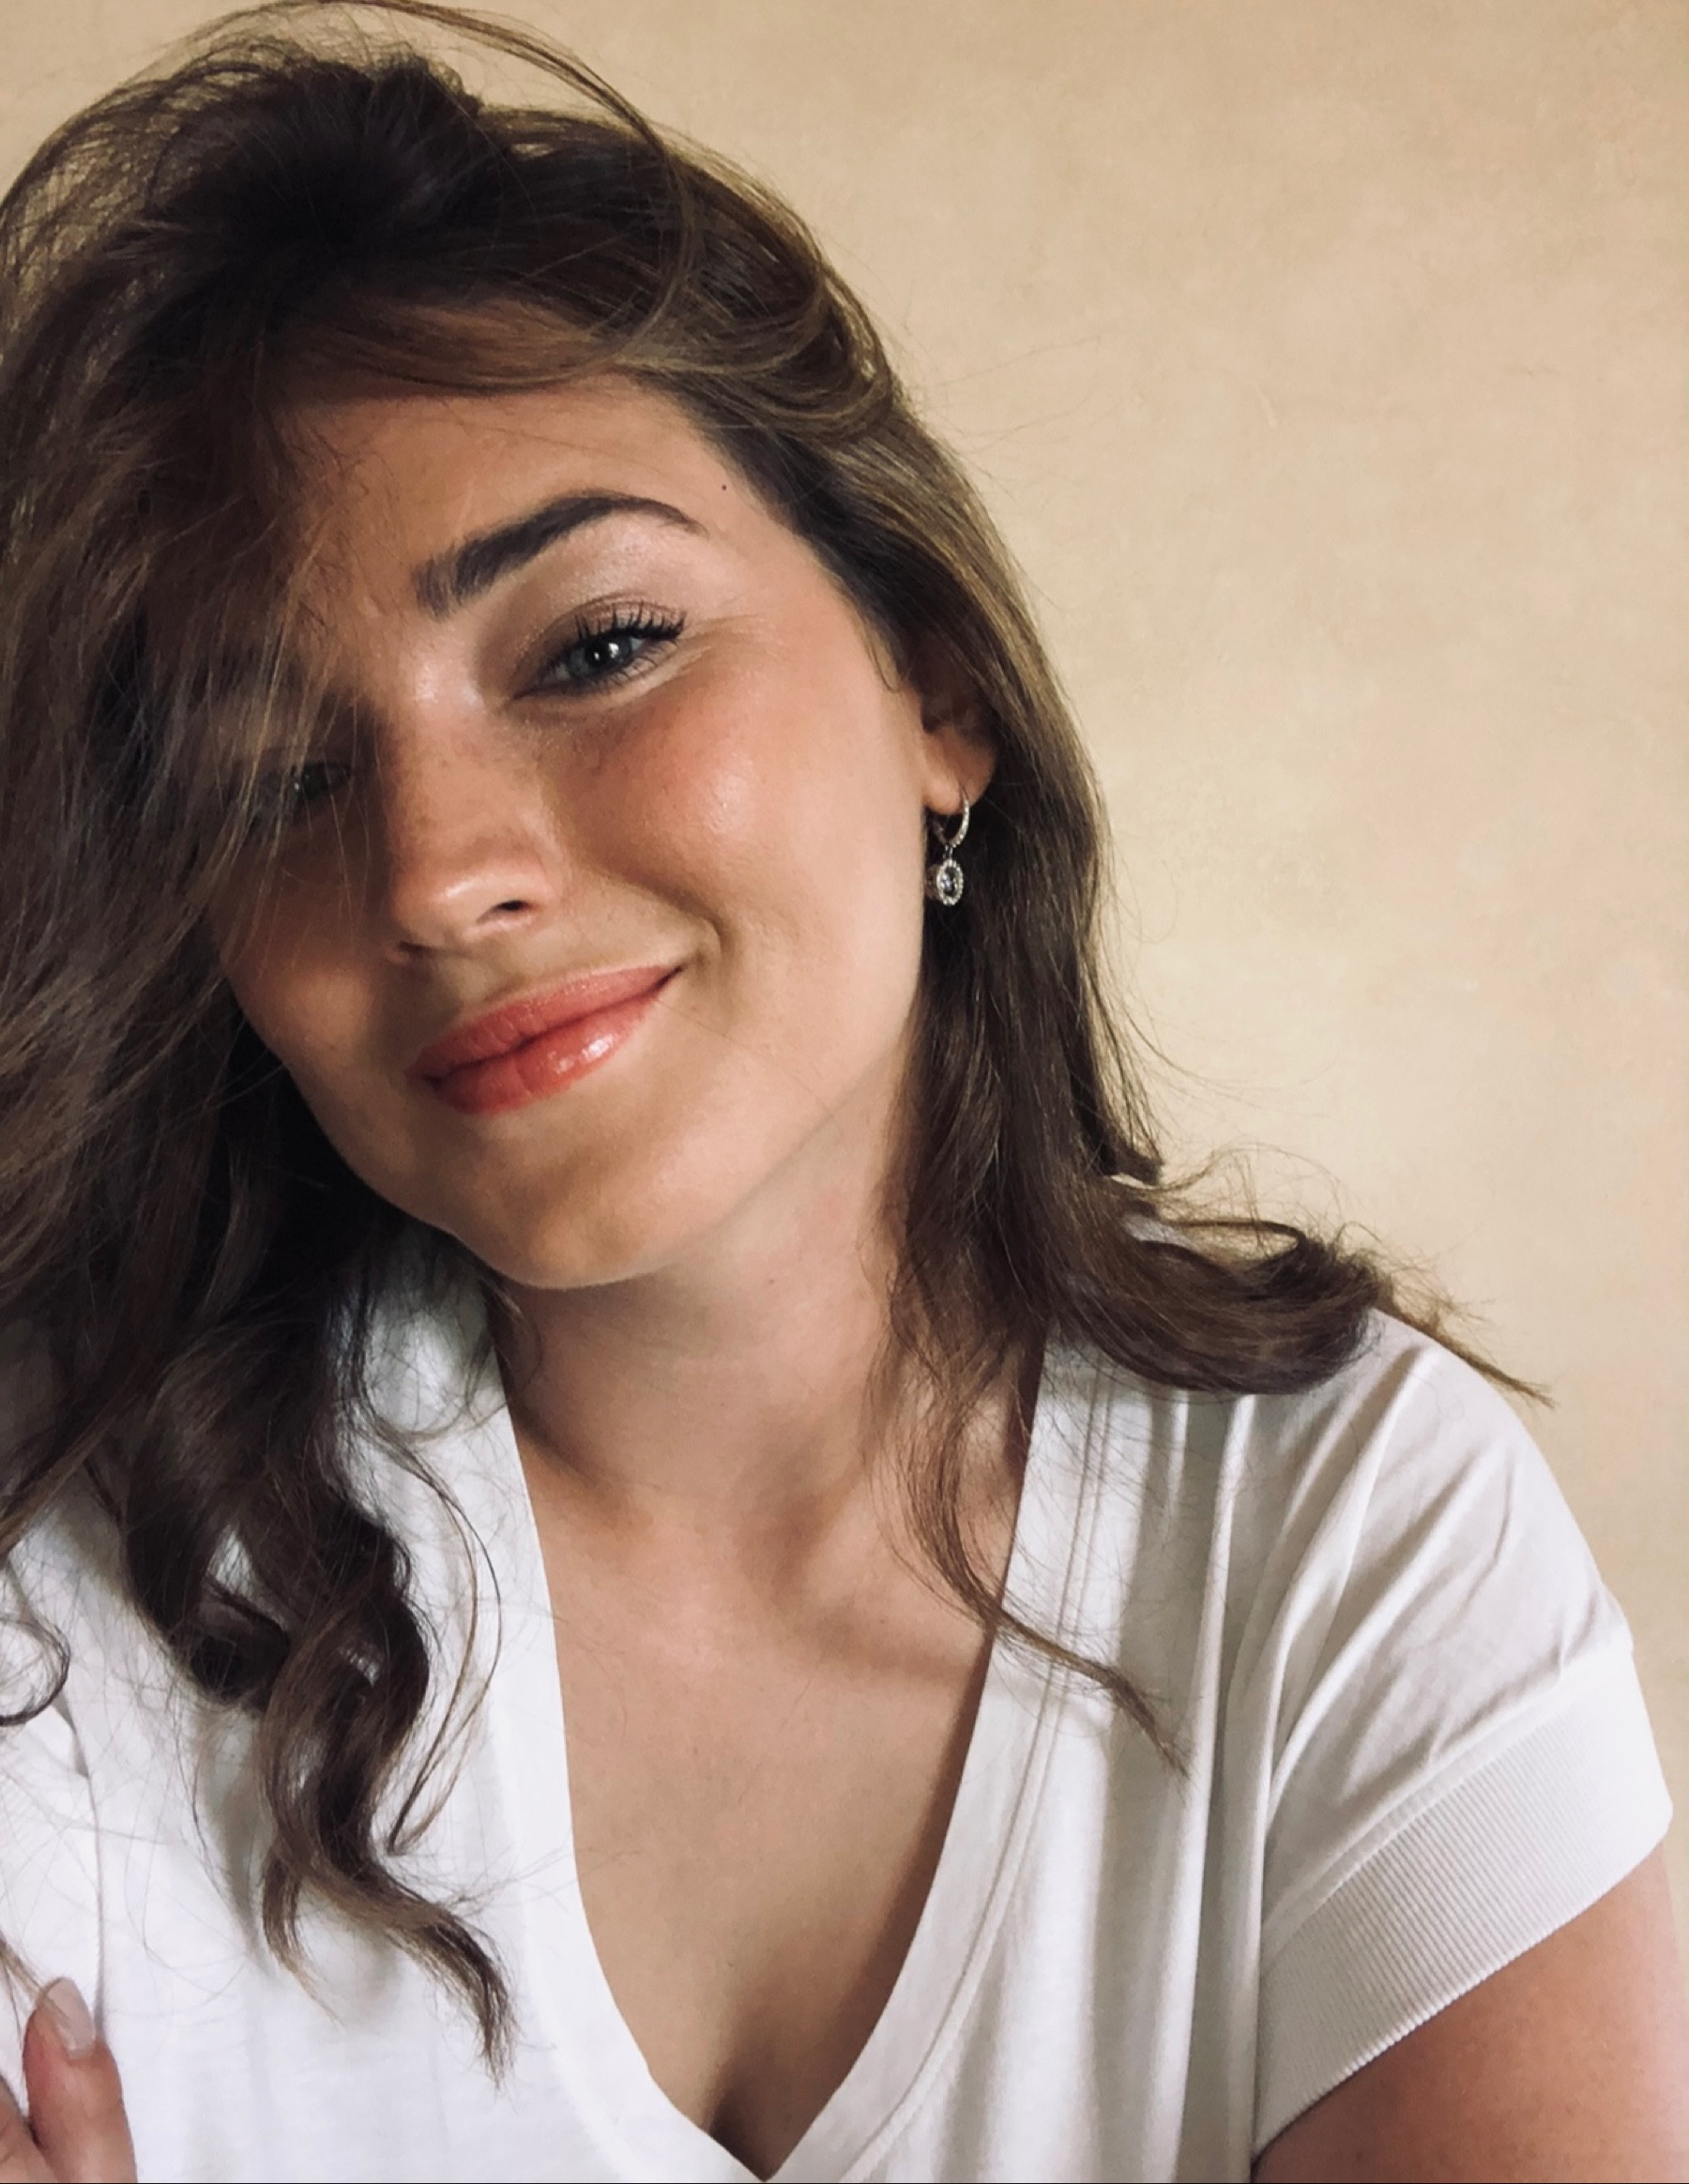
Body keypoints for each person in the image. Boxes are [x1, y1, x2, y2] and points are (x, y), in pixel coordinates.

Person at [0, 4, 1683, 2178]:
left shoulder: (1352, 1535)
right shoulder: (67, 1569)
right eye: (269, 781)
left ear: (938, 690)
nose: (432, 875)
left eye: (598, 648)